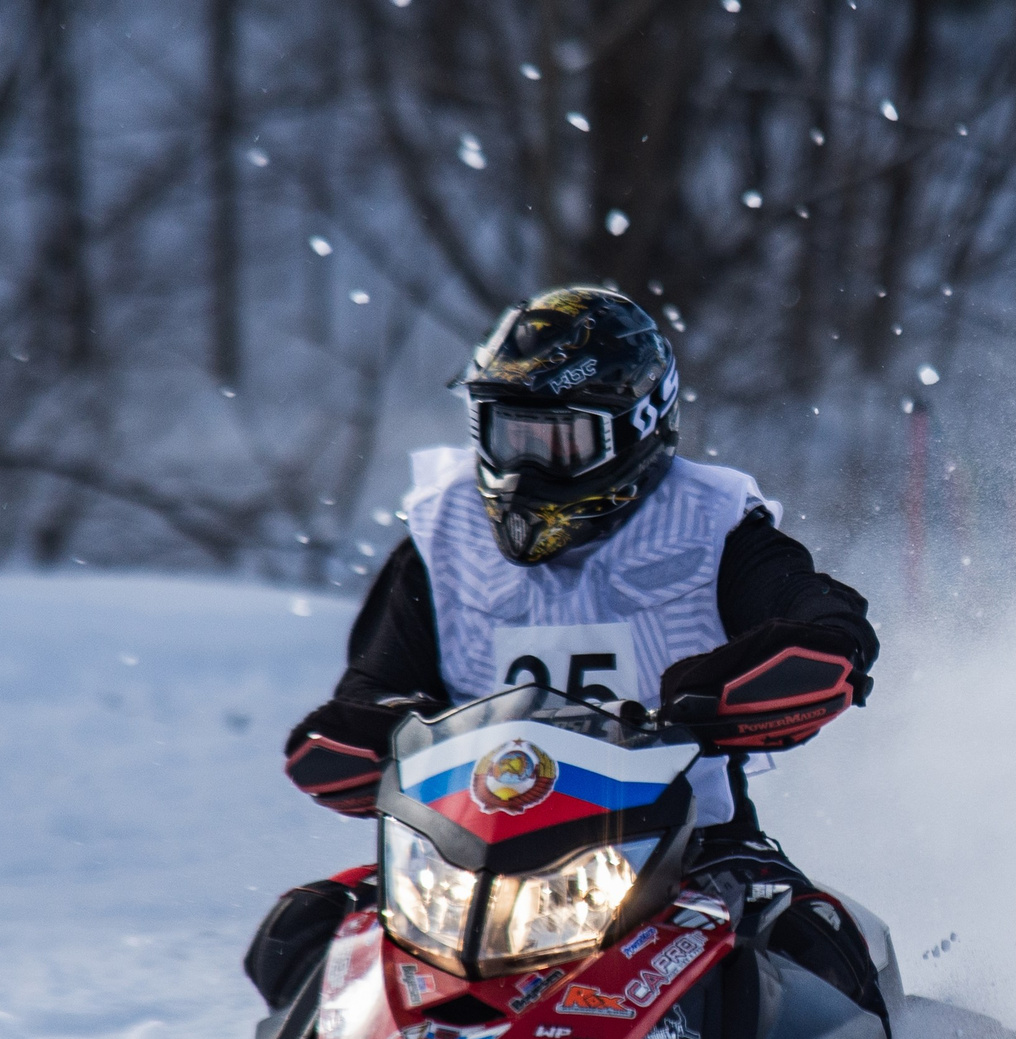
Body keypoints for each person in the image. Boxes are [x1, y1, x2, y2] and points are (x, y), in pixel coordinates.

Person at [279, 286, 879, 949]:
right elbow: (371, 690)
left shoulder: (714, 524)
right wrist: (374, 737)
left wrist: (765, 675)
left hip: (690, 854)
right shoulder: (441, 534)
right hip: (466, 869)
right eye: (509, 437)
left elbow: (821, 621)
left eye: (558, 441)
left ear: (638, 426)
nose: (526, 470)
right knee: (299, 940)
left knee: (817, 950)